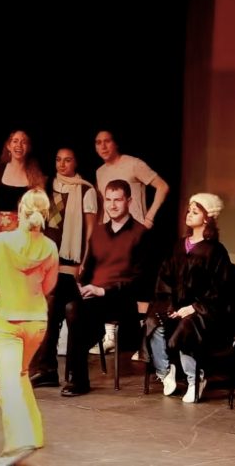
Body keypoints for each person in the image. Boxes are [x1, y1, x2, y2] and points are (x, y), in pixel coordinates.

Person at [0, 189, 59, 466]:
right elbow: (49, 286)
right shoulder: (50, 247)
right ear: (45, 215)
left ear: (20, 212)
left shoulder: (1, 242)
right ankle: (35, 434)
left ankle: (18, 442)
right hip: (36, 323)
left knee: (8, 386)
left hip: (8, 322)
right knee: (21, 374)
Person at [145, 193, 232, 403]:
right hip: (176, 305)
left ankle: (196, 379)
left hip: (204, 311)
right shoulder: (178, 246)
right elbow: (164, 279)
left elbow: (219, 290)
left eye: (195, 212)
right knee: (153, 321)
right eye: (189, 211)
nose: (189, 214)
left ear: (207, 219)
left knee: (187, 326)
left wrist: (193, 307)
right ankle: (166, 372)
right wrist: (170, 306)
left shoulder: (215, 251)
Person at [65, 179, 148, 396]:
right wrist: (81, 285)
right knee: (59, 301)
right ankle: (46, 369)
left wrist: (102, 291)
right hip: (93, 297)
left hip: (121, 300)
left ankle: (77, 379)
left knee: (76, 311)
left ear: (129, 201)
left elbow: (141, 281)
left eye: (117, 200)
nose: (112, 205)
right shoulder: (99, 232)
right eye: (108, 200)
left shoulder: (141, 233)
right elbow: (89, 270)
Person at [93, 129, 170, 355]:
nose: (103, 146)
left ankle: (144, 342)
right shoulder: (100, 171)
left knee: (139, 287)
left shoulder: (134, 164)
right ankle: (110, 336)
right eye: (98, 142)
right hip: (111, 235)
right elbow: (103, 203)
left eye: (107, 141)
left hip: (135, 234)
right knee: (108, 281)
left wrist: (149, 218)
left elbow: (163, 186)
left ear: (115, 143)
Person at [28, 148, 98, 389]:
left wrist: (84, 261)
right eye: (58, 159)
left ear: (76, 162)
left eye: (67, 160)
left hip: (72, 261)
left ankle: (67, 374)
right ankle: (46, 369)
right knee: (46, 308)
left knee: (62, 305)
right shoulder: (48, 186)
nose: (62, 164)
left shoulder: (86, 190)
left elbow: (89, 232)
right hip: (48, 259)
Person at [0, 130, 46, 235]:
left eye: (23, 142)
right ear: (8, 146)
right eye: (15, 141)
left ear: (29, 147)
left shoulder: (36, 176)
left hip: (25, 231)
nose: (19, 145)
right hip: (0, 232)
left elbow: (38, 211)